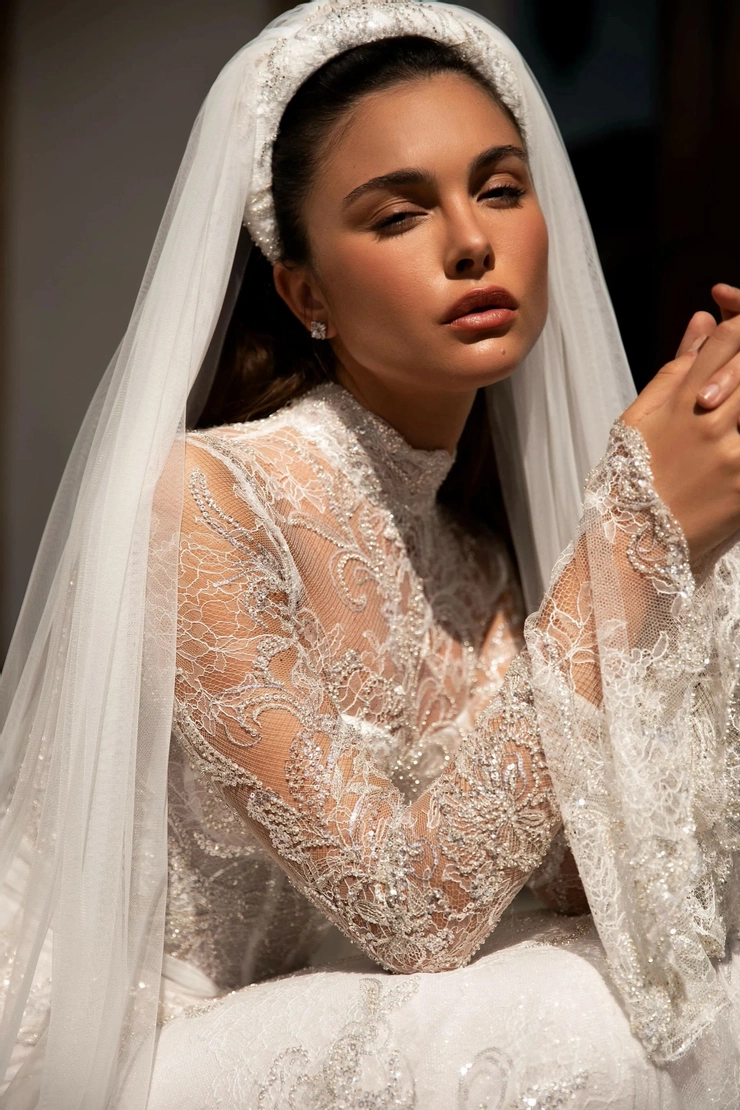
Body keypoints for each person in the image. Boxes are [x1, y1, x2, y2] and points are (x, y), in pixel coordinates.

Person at [2, 2, 740, 1106]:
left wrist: (698, 572)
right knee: (579, 1015)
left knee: (664, 989)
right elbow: (412, 911)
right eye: (398, 215)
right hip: (130, 1046)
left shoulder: (479, 560)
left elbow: (594, 887)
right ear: (305, 293)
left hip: (309, 1010)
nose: (471, 242)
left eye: (500, 189)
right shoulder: (206, 500)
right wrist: (635, 540)